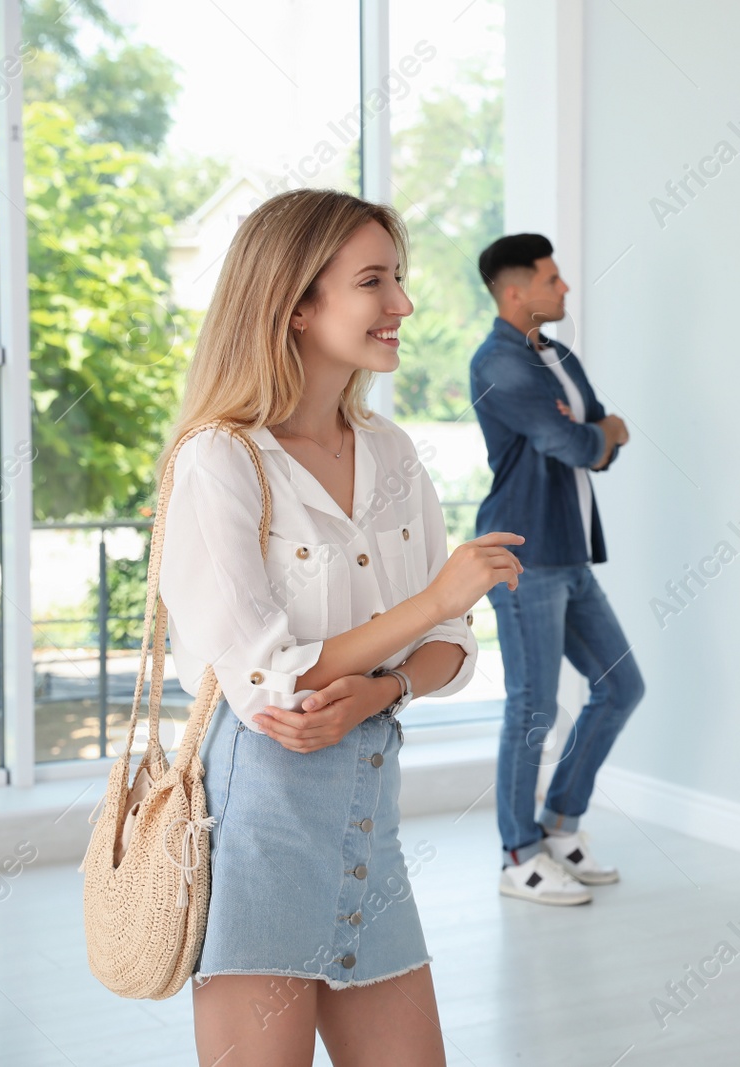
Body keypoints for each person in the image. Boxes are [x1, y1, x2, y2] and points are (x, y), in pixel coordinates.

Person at [159, 188, 525, 1066]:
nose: (401, 304)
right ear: (295, 303)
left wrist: (386, 688)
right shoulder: (220, 460)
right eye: (373, 281)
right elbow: (267, 685)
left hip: (368, 823)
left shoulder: (393, 452)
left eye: (398, 279)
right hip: (258, 830)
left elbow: (454, 650)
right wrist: (431, 602)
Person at [469, 233, 646, 906]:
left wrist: (597, 435)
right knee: (533, 708)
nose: (565, 287)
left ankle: (561, 823)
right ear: (516, 291)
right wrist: (600, 435)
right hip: (522, 555)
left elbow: (591, 433)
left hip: (570, 552)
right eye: (552, 278)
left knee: (621, 685)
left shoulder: (559, 355)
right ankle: (519, 853)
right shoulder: (499, 363)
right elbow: (578, 439)